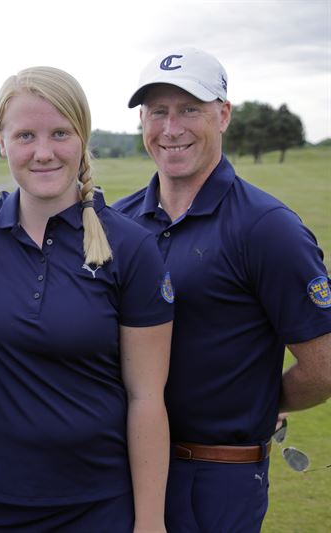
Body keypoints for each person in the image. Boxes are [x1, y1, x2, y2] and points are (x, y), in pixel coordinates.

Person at [0, 66, 174, 532]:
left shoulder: (131, 247)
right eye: (25, 135)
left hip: (94, 504)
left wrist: (150, 522)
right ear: (2, 142)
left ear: (82, 137)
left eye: (60, 134)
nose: (43, 152)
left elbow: (146, 397)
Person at [114, 47, 331, 532]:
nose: (171, 128)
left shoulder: (267, 228)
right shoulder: (118, 222)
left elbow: (324, 367)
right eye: (158, 112)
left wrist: (265, 401)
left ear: (224, 115)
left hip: (216, 477)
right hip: (118, 466)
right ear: (142, 122)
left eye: (190, 109)